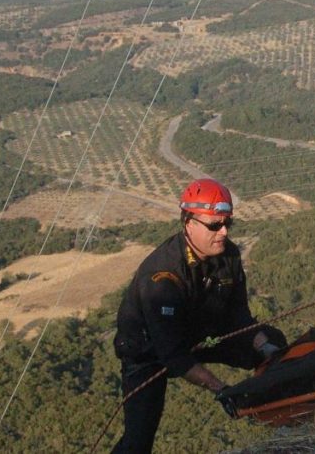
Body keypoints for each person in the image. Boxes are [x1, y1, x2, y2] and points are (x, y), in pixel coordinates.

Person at [111, 178, 284, 453]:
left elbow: (238, 315)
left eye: (228, 223)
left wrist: (265, 347)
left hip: (197, 333)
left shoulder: (228, 256)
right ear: (188, 222)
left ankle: (285, 412)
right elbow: (174, 356)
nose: (224, 231)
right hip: (148, 351)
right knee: (138, 441)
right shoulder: (162, 277)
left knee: (274, 342)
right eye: (215, 225)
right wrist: (221, 389)